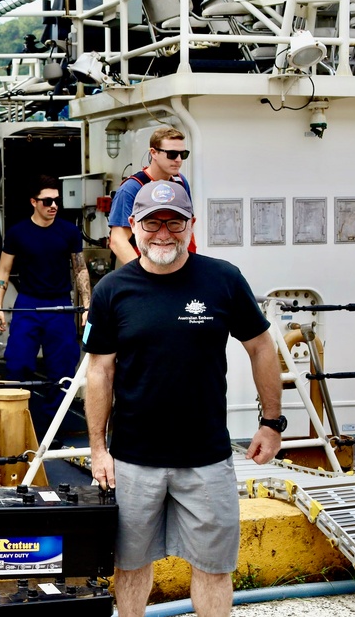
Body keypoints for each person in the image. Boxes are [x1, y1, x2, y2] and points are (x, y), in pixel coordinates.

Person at [83, 180, 283, 617]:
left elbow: (261, 347)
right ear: (132, 225)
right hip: (133, 460)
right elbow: (100, 370)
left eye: (175, 222)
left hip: (207, 457)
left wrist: (272, 422)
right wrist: (98, 449)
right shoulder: (112, 291)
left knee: (214, 568)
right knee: (130, 566)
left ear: (191, 224)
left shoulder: (223, 279)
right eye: (153, 222)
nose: (163, 233)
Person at [0, 175, 91, 438]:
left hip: (60, 305)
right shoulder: (18, 232)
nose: (53, 206)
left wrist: (88, 306)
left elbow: (79, 269)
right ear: (34, 202)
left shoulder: (68, 231)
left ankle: (52, 427)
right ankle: (13, 425)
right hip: (28, 304)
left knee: (62, 369)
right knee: (16, 364)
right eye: (47, 201)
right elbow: (4, 268)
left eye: (56, 201)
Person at [108, 127, 195, 265]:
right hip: (147, 263)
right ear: (153, 153)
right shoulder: (131, 188)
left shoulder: (180, 183)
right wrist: (142, 275)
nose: (178, 160)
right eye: (172, 154)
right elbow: (118, 241)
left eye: (182, 154)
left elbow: (188, 227)